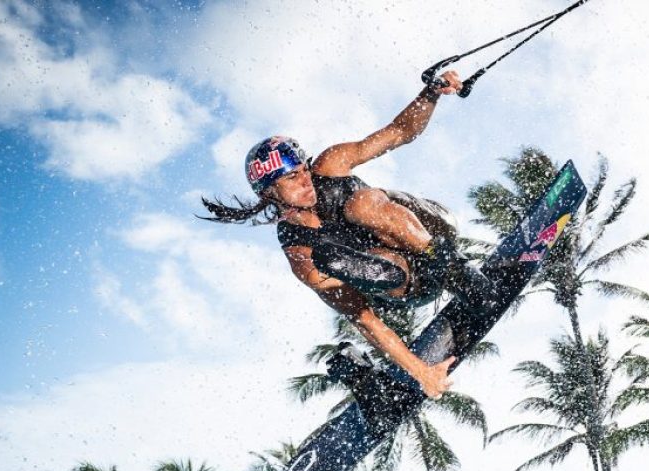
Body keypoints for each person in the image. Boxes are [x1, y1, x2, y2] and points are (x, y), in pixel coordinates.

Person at [202, 71, 489, 399]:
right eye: (292, 179)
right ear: (270, 193)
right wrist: (421, 372)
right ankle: (405, 278)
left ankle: (460, 273)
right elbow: (363, 317)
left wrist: (432, 93)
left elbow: (400, 131)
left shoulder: (330, 164)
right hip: (412, 283)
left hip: (432, 231)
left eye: (303, 172)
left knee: (362, 204)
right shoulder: (301, 254)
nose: (306, 181)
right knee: (338, 262)